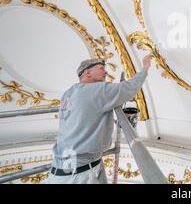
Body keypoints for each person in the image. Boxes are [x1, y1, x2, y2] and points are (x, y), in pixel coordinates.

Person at [46, 55, 152, 184]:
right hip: (79, 175)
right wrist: (145, 67)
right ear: (87, 72)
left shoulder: (70, 92)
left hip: (60, 170)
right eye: (101, 68)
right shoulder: (97, 90)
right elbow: (129, 88)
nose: (106, 72)